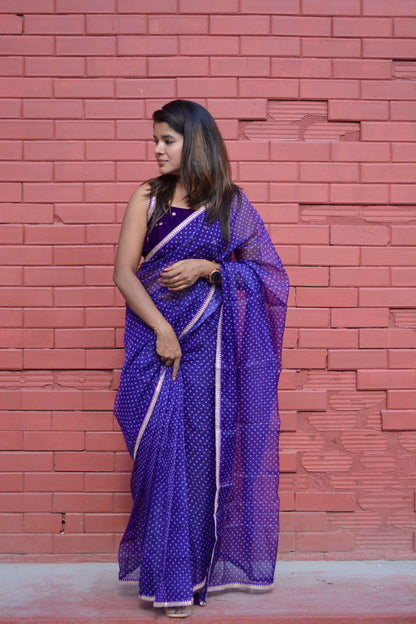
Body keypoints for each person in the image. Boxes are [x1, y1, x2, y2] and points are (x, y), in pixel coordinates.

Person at [113, 99, 289, 618]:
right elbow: (125, 273)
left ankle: (182, 583)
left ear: (196, 142)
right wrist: (163, 329)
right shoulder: (148, 197)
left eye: (167, 139)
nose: (157, 149)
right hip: (156, 347)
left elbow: (270, 277)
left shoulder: (230, 206)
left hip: (209, 359)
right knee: (158, 454)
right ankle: (165, 573)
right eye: (156, 139)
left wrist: (208, 267)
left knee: (196, 461)